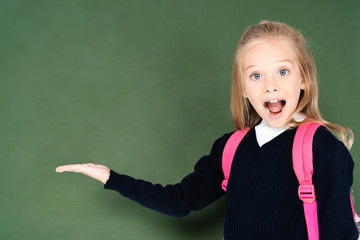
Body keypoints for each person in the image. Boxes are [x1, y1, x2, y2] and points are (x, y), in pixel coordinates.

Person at [56, 20, 359, 239]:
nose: (270, 86)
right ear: (243, 89)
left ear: (303, 79)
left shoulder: (322, 148)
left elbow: (340, 233)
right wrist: (111, 177)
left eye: (282, 71)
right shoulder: (230, 149)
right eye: (255, 76)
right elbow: (179, 201)